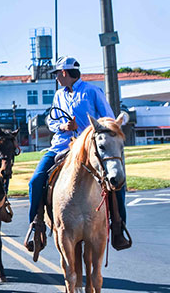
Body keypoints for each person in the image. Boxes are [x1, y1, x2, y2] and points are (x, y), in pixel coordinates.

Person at [26, 57, 129, 250]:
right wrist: (63, 126)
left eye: (57, 74)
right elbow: (51, 121)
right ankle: (36, 227)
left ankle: (118, 227)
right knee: (36, 180)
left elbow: (109, 121)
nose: (56, 78)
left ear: (64, 73)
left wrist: (83, 128)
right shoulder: (58, 95)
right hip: (61, 146)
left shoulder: (92, 91)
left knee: (117, 181)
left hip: (89, 149)